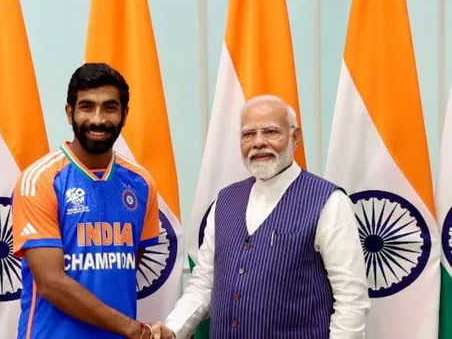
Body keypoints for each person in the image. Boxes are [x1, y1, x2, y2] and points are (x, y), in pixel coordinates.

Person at [152, 95, 371, 338]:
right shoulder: (225, 200)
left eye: (271, 132)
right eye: (248, 134)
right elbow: (203, 284)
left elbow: (351, 300)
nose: (258, 143)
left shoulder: (329, 201)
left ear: (295, 138)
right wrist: (172, 330)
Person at [11, 62, 161, 339]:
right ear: (70, 113)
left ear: (125, 114)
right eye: (87, 106)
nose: (98, 119)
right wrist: (133, 329)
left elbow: (126, 266)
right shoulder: (40, 180)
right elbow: (50, 283)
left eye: (110, 107)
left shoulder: (141, 183)